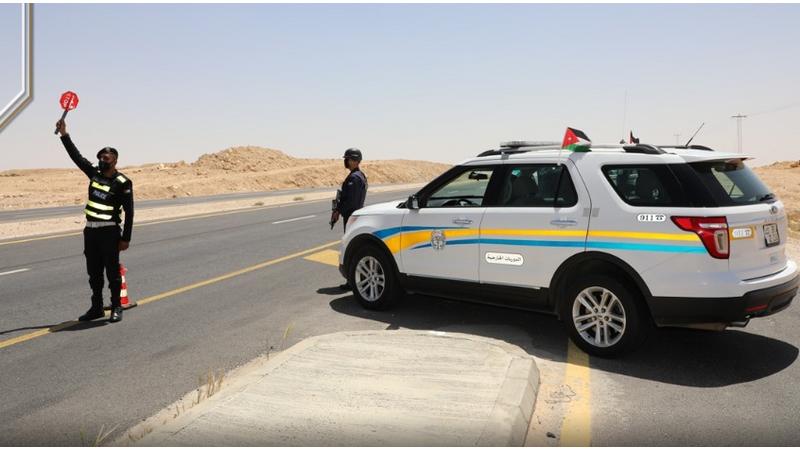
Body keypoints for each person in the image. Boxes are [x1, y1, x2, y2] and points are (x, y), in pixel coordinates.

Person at [55, 119, 134, 323]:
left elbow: (130, 212)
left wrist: (126, 238)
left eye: (105, 157)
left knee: (112, 272)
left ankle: (116, 306)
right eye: (100, 157)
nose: (101, 160)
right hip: (91, 232)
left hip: (110, 232)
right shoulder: (94, 174)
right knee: (94, 273)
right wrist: (64, 134)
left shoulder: (123, 182)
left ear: (114, 160)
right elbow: (76, 157)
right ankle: (96, 307)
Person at [333, 148, 367, 290]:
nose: (346, 161)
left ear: (354, 160)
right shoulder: (360, 175)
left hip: (351, 216)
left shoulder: (354, 178)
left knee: (350, 248)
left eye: (348, 159)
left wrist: (338, 211)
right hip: (355, 215)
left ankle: (351, 281)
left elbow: (351, 201)